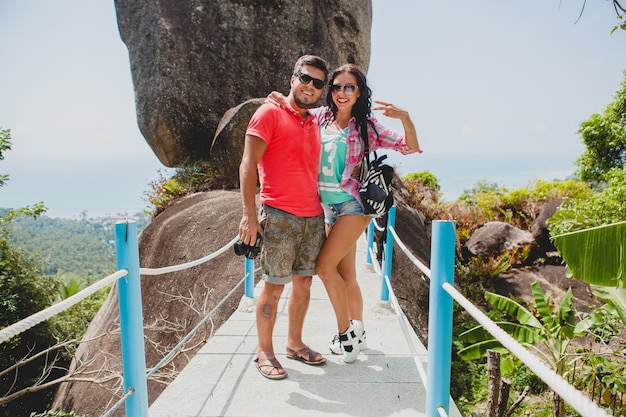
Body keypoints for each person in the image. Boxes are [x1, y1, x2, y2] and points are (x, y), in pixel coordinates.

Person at [268, 63, 422, 362]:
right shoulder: (320, 117)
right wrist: (276, 100)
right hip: (327, 207)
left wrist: (405, 117)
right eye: (336, 87)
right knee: (347, 274)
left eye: (348, 87)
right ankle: (360, 334)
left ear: (359, 92)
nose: (341, 92)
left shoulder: (366, 125)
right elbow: (292, 114)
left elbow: (409, 147)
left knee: (325, 268)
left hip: (353, 205)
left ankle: (346, 338)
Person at [238, 55, 329, 380]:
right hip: (278, 214)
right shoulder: (268, 112)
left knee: (304, 283)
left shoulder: (316, 121)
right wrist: (250, 215)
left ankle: (294, 343)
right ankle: (264, 351)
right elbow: (248, 165)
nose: (310, 86)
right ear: (293, 79)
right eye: (305, 78)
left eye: (318, 83)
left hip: (312, 217)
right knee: (274, 287)